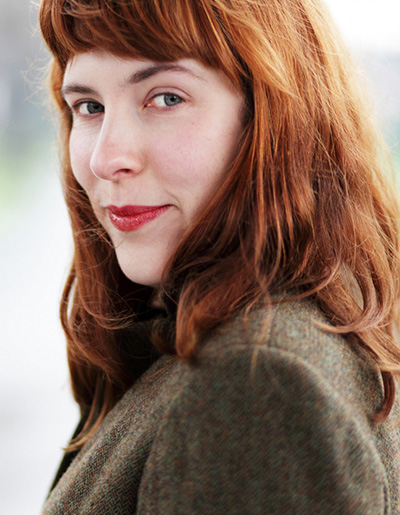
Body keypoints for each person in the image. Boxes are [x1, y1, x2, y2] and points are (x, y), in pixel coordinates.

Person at [39, 0, 400, 513]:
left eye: (166, 98)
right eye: (89, 107)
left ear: (273, 118)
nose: (105, 158)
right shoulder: (217, 336)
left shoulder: (260, 381)